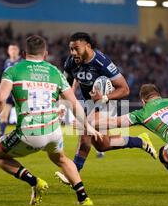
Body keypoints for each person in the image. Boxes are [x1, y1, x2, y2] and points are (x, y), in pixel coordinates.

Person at [0, 35, 102, 206]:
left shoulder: (13, 70)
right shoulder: (55, 71)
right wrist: (87, 125)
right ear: (45, 54)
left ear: (23, 53)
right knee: (61, 159)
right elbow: (73, 103)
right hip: (53, 132)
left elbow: (0, 101)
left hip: (30, 133)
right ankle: (83, 197)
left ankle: (34, 181)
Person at [60, 32, 156, 174]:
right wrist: (62, 104)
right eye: (71, 49)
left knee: (85, 133)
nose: (73, 52)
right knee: (102, 145)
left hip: (105, 102)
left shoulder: (102, 62)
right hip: (89, 103)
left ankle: (73, 175)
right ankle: (139, 141)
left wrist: (103, 98)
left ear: (87, 46)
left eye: (76, 48)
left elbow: (125, 89)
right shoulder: (70, 62)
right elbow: (66, 87)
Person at [0, 43, 21, 138]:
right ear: (8, 51)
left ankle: (22, 137)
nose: (13, 51)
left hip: (18, 93)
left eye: (15, 49)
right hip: (8, 92)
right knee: (3, 115)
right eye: (11, 49)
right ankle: (0, 137)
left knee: (20, 116)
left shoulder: (22, 62)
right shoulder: (6, 62)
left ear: (18, 51)